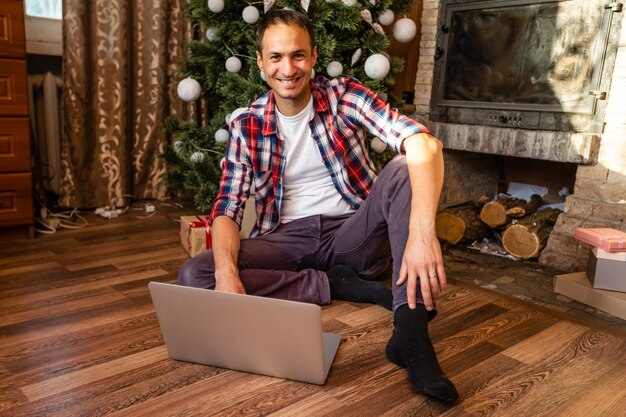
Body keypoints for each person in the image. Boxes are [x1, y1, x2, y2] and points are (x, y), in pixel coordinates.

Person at [178, 9, 459, 404]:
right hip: (288, 239)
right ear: (260, 62)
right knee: (197, 274)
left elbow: (424, 143)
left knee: (402, 168)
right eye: (275, 57)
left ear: (312, 57)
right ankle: (332, 283)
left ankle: (410, 334)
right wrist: (227, 275)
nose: (287, 68)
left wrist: (422, 235)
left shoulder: (345, 96)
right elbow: (226, 208)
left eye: (297, 55)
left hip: (353, 232)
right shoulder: (247, 125)